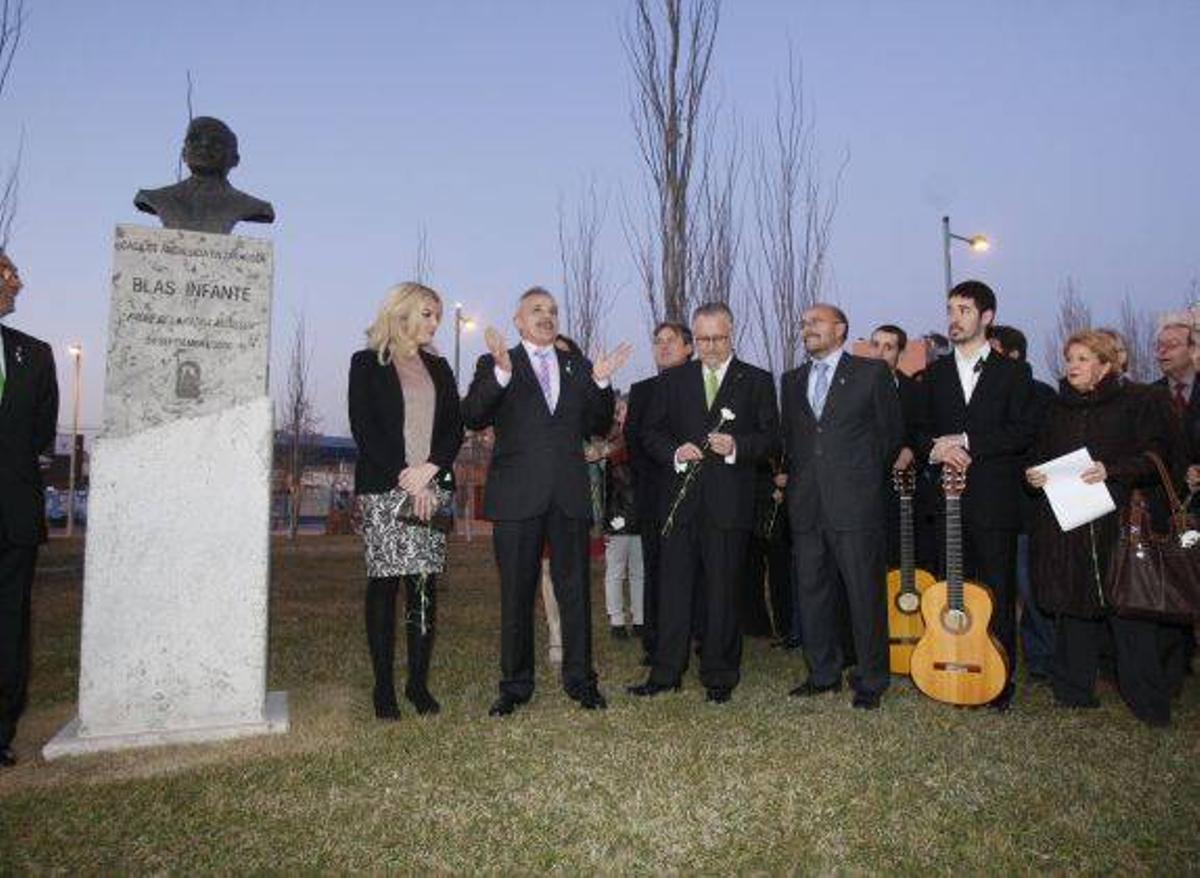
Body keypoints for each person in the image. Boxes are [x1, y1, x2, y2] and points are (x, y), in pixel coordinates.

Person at [461, 287, 631, 716]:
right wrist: (501, 374)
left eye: (553, 310)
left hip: (568, 496)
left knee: (575, 593)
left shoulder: (578, 367)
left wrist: (601, 382)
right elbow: (473, 414)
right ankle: (515, 686)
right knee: (516, 594)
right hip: (517, 497)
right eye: (536, 309)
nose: (547, 315)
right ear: (518, 321)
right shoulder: (496, 362)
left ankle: (581, 681)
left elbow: (597, 425)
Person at [628, 302, 779, 703]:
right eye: (703, 339)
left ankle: (720, 676)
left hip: (729, 507)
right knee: (673, 592)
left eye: (718, 338)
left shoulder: (756, 380)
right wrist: (676, 452)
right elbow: (650, 432)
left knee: (722, 594)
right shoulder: (674, 380)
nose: (710, 347)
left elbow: (771, 438)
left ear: (732, 334)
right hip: (679, 507)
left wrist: (737, 446)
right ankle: (666, 672)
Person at [1026, 330, 1177, 725]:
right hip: (1070, 527)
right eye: (1070, 359)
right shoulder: (1055, 409)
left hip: (1121, 524)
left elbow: (1158, 456)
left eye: (1082, 359)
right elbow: (1037, 455)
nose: (1072, 366)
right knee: (1074, 608)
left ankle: (1149, 704)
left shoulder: (1139, 401)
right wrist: (1034, 474)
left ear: (1106, 365)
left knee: (1130, 614)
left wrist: (1112, 469)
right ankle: (1073, 693)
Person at [914, 280, 1038, 710]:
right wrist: (936, 448)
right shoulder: (933, 375)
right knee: (953, 592)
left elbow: (1023, 431)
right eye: (950, 309)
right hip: (945, 504)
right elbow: (916, 431)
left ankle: (999, 682)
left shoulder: (1014, 373)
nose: (954, 318)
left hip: (994, 503)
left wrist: (966, 441)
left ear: (987, 317)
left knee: (997, 594)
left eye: (964, 310)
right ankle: (953, 670)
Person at [348, 282, 463, 719]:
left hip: (431, 487)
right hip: (385, 488)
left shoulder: (440, 367)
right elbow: (366, 429)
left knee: (422, 587)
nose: (435, 322)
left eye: (437, 315)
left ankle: (418, 684)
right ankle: (384, 687)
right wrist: (408, 478)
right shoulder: (366, 363)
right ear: (402, 314)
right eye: (427, 314)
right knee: (384, 585)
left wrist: (429, 471)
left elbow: (453, 428)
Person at [783, 304, 903, 709]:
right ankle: (823, 675)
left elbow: (889, 437)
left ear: (840, 328)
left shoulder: (871, 373)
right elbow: (794, 441)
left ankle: (871, 680)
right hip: (806, 505)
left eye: (815, 322)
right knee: (812, 593)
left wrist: (859, 480)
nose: (807, 329)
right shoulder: (791, 380)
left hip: (855, 506)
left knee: (864, 595)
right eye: (804, 324)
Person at [0, 252, 60, 767]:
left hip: (13, 514)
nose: (19, 283)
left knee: (9, 624)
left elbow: (40, 432)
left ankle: (1, 729)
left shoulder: (33, 355)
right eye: (9, 273)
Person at [987, 323, 1058, 683]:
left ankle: (1043, 658)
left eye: (993, 351)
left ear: (1013, 355)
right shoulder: (982, 395)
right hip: (992, 508)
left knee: (1032, 588)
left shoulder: (1042, 395)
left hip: (1029, 509)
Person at [625, 321, 694, 665]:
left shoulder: (702, 386)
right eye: (658, 341)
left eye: (671, 340)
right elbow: (635, 444)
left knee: (698, 571)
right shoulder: (642, 390)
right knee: (655, 570)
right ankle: (655, 643)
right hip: (655, 496)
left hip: (698, 497)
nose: (663, 346)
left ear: (689, 348)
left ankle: (699, 637)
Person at [1152, 319, 1199, 688]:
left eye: (1173, 344)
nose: (1163, 351)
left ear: (1193, 349)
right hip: (1167, 512)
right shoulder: (1149, 397)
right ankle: (1172, 667)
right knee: (1171, 585)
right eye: (1160, 345)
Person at [135, 116, 275, 235]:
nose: (204, 146)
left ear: (235, 159)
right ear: (184, 153)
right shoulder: (157, 197)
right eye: (195, 140)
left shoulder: (250, 205)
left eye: (217, 143)